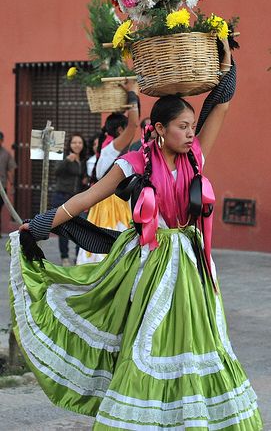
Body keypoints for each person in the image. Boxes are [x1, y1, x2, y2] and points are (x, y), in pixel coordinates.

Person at [13, 39, 262, 430]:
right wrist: (42, 224)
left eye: (192, 127)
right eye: (182, 127)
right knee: (149, 337)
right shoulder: (133, 164)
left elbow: (221, 105)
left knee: (199, 338)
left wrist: (227, 63)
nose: (190, 133)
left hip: (192, 264)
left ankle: (190, 414)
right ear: (160, 129)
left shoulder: (195, 155)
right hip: (149, 262)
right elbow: (86, 198)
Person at [76, 83, 139, 264]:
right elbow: (134, 123)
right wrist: (132, 95)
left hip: (103, 203)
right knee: (111, 253)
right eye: (126, 130)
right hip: (111, 205)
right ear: (120, 130)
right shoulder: (113, 147)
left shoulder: (106, 147)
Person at [52, 133, 88, 265]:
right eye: (74, 142)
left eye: (79, 142)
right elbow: (56, 171)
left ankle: (78, 256)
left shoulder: (84, 160)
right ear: (70, 144)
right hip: (62, 197)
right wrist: (67, 160)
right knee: (64, 229)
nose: (77, 145)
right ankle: (64, 256)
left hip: (78, 199)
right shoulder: (63, 156)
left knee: (81, 229)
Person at [0, 131, 17, 237]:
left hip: (2, 188)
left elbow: (11, 170)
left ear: (1, 141)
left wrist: (11, 184)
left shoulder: (6, 154)